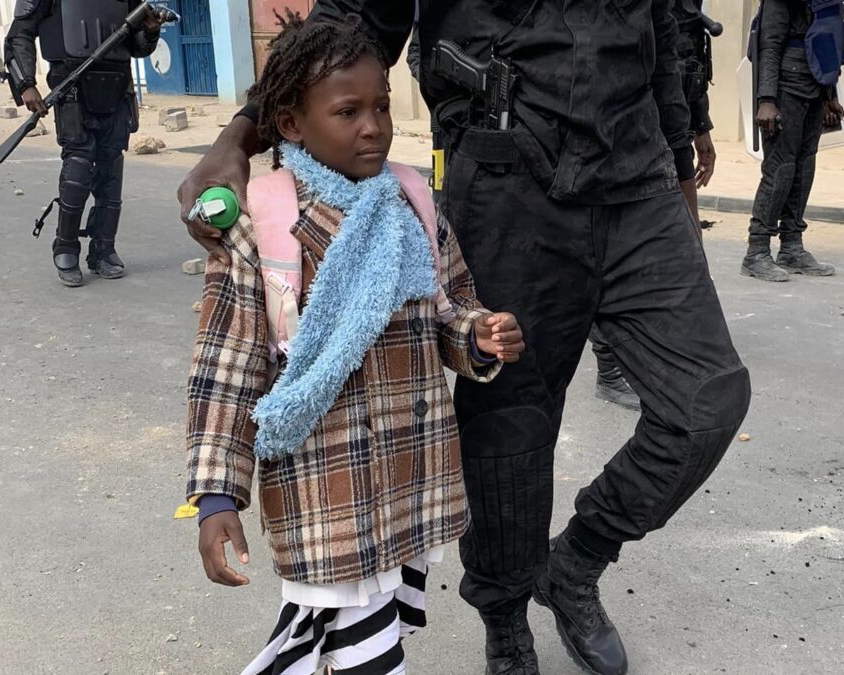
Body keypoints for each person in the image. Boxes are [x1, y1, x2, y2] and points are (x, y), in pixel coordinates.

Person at [178, 4, 751, 675]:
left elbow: (663, 29)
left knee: (707, 403)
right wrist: (239, 134)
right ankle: (505, 615)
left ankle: (575, 561)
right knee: (511, 425)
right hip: (511, 175)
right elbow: (355, 16)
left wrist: (680, 172)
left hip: (637, 175)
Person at [184, 15, 524, 674]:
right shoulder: (263, 223)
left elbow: (448, 311)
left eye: (381, 106)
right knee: (360, 644)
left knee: (350, 637)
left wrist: (478, 336)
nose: (373, 125)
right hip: (324, 488)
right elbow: (226, 371)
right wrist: (217, 495)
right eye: (347, 111)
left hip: (407, 474)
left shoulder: (414, 205)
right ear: (290, 124)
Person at [588, 0, 721, 412]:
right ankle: (610, 366)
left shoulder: (678, 9)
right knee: (601, 259)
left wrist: (700, 132)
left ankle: (660, 352)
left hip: (661, 137)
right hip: (599, 144)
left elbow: (681, 69)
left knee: (682, 248)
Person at [4, 0, 162, 287]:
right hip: (72, 87)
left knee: (111, 173)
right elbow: (19, 34)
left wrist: (150, 32)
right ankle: (65, 247)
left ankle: (103, 249)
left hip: (118, 89)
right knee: (77, 171)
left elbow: (137, 47)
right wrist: (26, 83)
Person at [743, 0, 844, 283]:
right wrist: (766, 100)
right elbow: (768, 45)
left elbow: (828, 40)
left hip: (815, 87)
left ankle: (792, 247)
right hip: (785, 87)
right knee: (780, 171)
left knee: (804, 170)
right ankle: (756, 251)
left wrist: (831, 97)